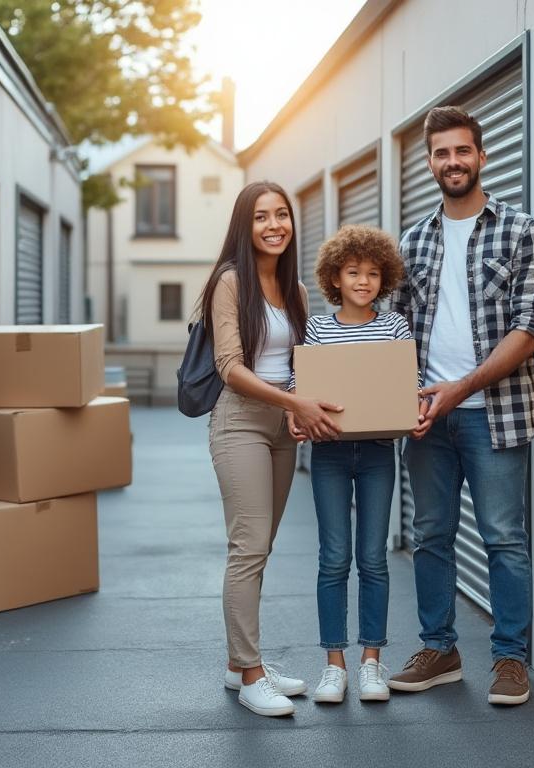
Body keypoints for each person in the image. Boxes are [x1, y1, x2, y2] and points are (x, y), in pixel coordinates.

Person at [386, 106, 534, 706]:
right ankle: (440, 648)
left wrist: (460, 387)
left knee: (504, 538)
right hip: (427, 418)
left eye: (462, 151)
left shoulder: (523, 232)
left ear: (482, 156)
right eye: (441, 153)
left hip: (496, 414)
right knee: (431, 535)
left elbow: (531, 327)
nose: (452, 162)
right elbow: (397, 331)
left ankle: (510, 658)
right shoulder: (412, 242)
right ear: (429, 161)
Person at [199, 180, 344, 718]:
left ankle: (242, 664)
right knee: (248, 547)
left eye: (281, 215)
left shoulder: (297, 292)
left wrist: (300, 407)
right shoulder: (230, 283)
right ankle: (251, 673)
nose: (274, 225)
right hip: (239, 423)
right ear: (246, 225)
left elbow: (301, 367)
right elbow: (230, 368)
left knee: (262, 546)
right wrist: (295, 402)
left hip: (285, 428)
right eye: (262, 217)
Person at [284, 225, 422, 704]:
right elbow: (300, 389)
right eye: (352, 271)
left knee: (373, 558)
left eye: (372, 273)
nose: (362, 280)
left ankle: (372, 663)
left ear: (383, 279)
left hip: (380, 452)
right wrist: (294, 411)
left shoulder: (396, 327)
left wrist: (414, 410)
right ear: (334, 277)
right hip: (329, 453)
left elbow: (410, 384)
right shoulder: (318, 329)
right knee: (334, 558)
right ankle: (334, 665)